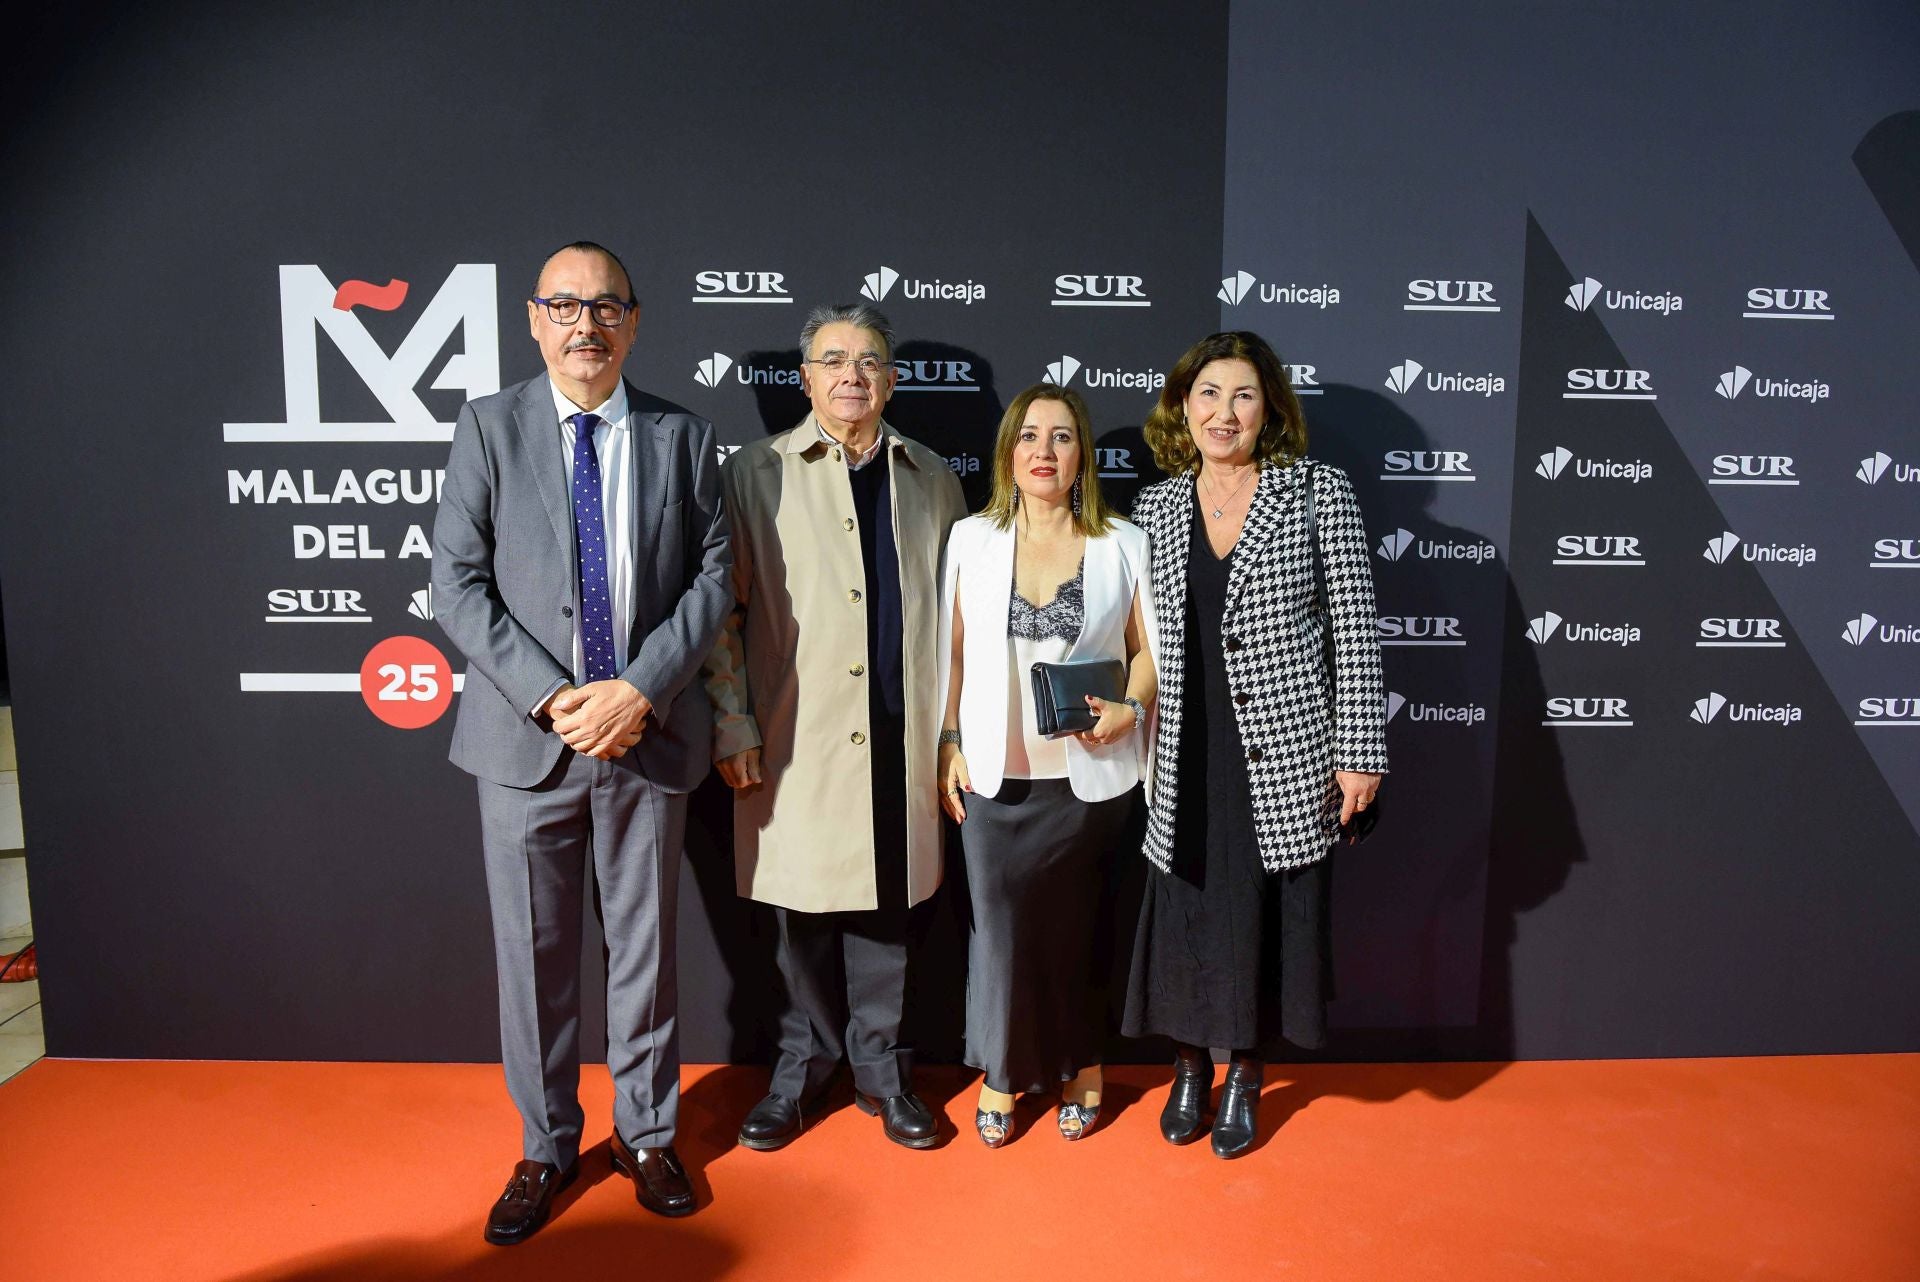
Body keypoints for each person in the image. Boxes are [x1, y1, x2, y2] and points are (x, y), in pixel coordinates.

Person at [432, 242, 731, 1238]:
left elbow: (714, 578)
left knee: (644, 955)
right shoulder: (488, 428)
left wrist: (639, 689)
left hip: (647, 734)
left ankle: (647, 1134)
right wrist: (555, 696)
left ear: (635, 323)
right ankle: (546, 1145)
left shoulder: (683, 436)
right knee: (535, 956)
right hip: (528, 742)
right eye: (564, 305)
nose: (585, 323)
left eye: (606, 306)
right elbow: (456, 586)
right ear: (533, 318)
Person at [703, 303, 968, 1151]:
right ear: (806, 375)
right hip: (797, 738)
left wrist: (952, 736)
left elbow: (959, 622)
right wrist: (733, 721)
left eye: (870, 360)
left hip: (903, 733)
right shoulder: (755, 472)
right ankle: (799, 1073)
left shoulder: (932, 476)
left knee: (889, 913)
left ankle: (884, 1075)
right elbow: (722, 616)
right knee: (801, 915)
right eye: (833, 359)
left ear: (891, 379)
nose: (852, 374)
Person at [1121, 331, 1387, 1159]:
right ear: (1183, 407)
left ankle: (1244, 1072)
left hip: (1285, 748)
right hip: (1184, 747)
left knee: (1266, 913)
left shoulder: (1317, 493)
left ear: (1268, 406)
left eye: (1242, 395)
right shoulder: (1158, 507)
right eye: (1208, 394)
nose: (1223, 411)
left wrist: (1361, 750)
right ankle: (1190, 1065)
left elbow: (1355, 630)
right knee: (1192, 907)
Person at [936, 384, 1157, 1146]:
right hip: (997, 781)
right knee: (998, 933)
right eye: (1029, 435)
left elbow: (1147, 652)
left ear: (1082, 456)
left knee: (1079, 931)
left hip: (1092, 782)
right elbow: (952, 656)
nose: (1043, 450)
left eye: (1061, 437)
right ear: (1008, 451)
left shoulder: (1123, 542)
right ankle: (1001, 1073)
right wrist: (947, 744)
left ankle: (1083, 1065)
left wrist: (1129, 705)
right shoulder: (970, 539)